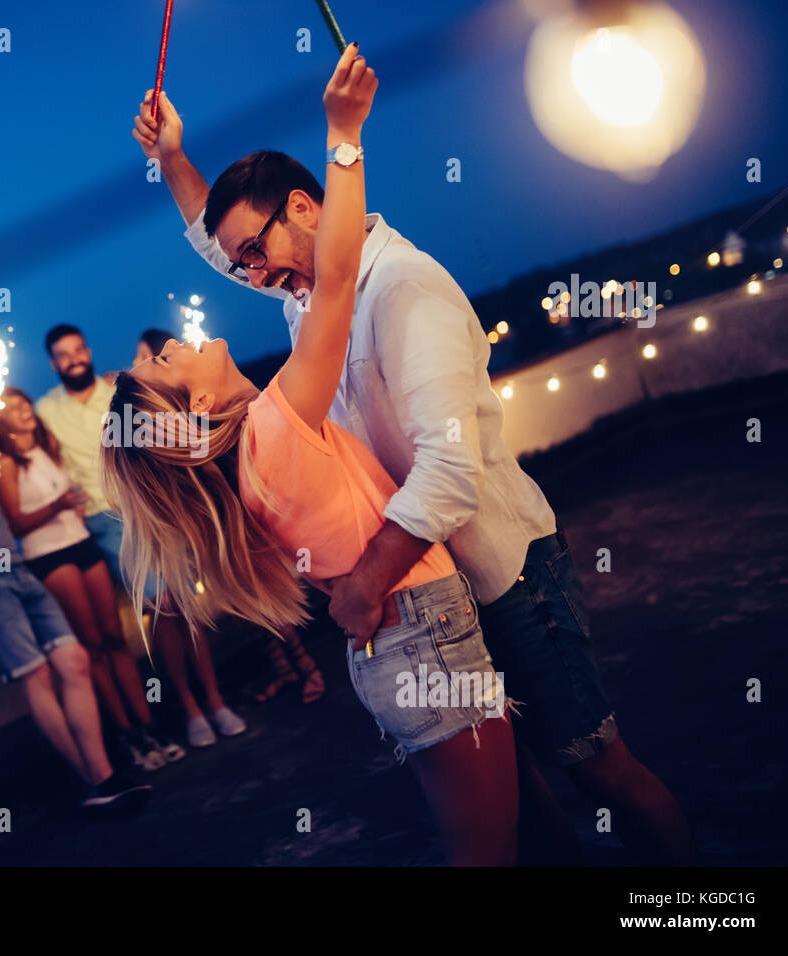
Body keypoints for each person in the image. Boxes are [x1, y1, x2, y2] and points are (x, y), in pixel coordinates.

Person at [132, 58, 694, 863]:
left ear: (305, 207)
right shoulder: (308, 295)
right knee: (522, 798)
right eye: (245, 265)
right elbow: (231, 248)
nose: (253, 277)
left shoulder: (403, 289)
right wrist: (174, 159)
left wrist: (365, 583)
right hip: (437, 597)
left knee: (600, 770)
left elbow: (450, 468)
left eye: (257, 252)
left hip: (504, 577)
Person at [104, 46, 519, 865]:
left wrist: (173, 161)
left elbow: (263, 262)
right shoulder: (273, 434)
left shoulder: (248, 450)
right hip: (422, 629)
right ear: (191, 410)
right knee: (488, 851)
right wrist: (344, 135)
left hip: (398, 642)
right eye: (160, 362)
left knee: (498, 824)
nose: (165, 343)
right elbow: (332, 277)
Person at [0, 359, 150, 810]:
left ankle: (106, 774)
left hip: (15, 567)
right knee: (37, 673)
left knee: (75, 660)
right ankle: (94, 783)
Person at [36, 324, 248, 747]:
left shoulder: (118, 389)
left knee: (184, 604)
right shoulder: (46, 412)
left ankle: (215, 701)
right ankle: (191, 709)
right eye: (64, 354)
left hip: (147, 505)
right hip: (102, 520)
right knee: (163, 604)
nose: (75, 358)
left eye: (80, 349)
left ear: (89, 350)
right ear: (53, 363)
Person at [0, 386, 185, 772]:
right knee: (92, 646)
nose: (23, 409)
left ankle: (150, 727)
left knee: (115, 639)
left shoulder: (48, 448)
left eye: (24, 401)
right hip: (49, 556)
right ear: (0, 421)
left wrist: (72, 507)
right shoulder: (6, 464)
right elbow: (14, 522)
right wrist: (58, 506)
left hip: (81, 544)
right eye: (11, 407)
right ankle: (129, 739)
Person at [132, 331, 326, 706]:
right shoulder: (244, 427)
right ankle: (289, 672)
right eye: (156, 358)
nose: (171, 347)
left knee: (265, 600)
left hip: (238, 511)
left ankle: (307, 668)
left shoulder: (258, 428)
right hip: (225, 517)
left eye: (153, 356)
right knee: (251, 604)